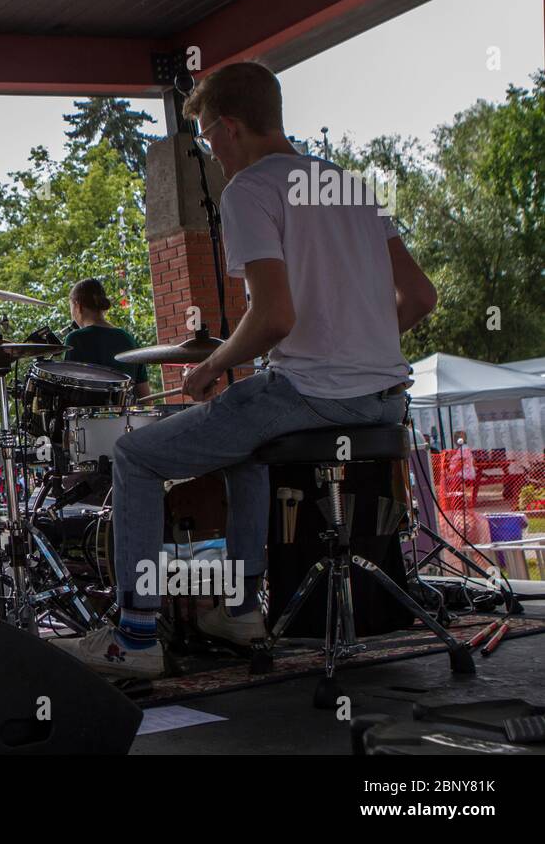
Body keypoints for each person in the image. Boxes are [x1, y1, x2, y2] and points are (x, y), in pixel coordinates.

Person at [54, 61, 436, 680]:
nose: (210, 152)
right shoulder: (348, 185)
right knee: (243, 446)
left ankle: (135, 637)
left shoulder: (251, 191)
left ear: (230, 126)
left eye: (207, 136)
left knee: (136, 458)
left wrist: (210, 366)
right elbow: (419, 297)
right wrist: (360, 343)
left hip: (312, 394)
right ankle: (238, 609)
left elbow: (274, 315)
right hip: (387, 400)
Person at [65, 278, 151, 400]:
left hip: (89, 418)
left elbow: (69, 391)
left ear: (78, 306)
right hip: (126, 417)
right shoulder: (128, 339)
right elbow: (145, 397)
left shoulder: (75, 339)